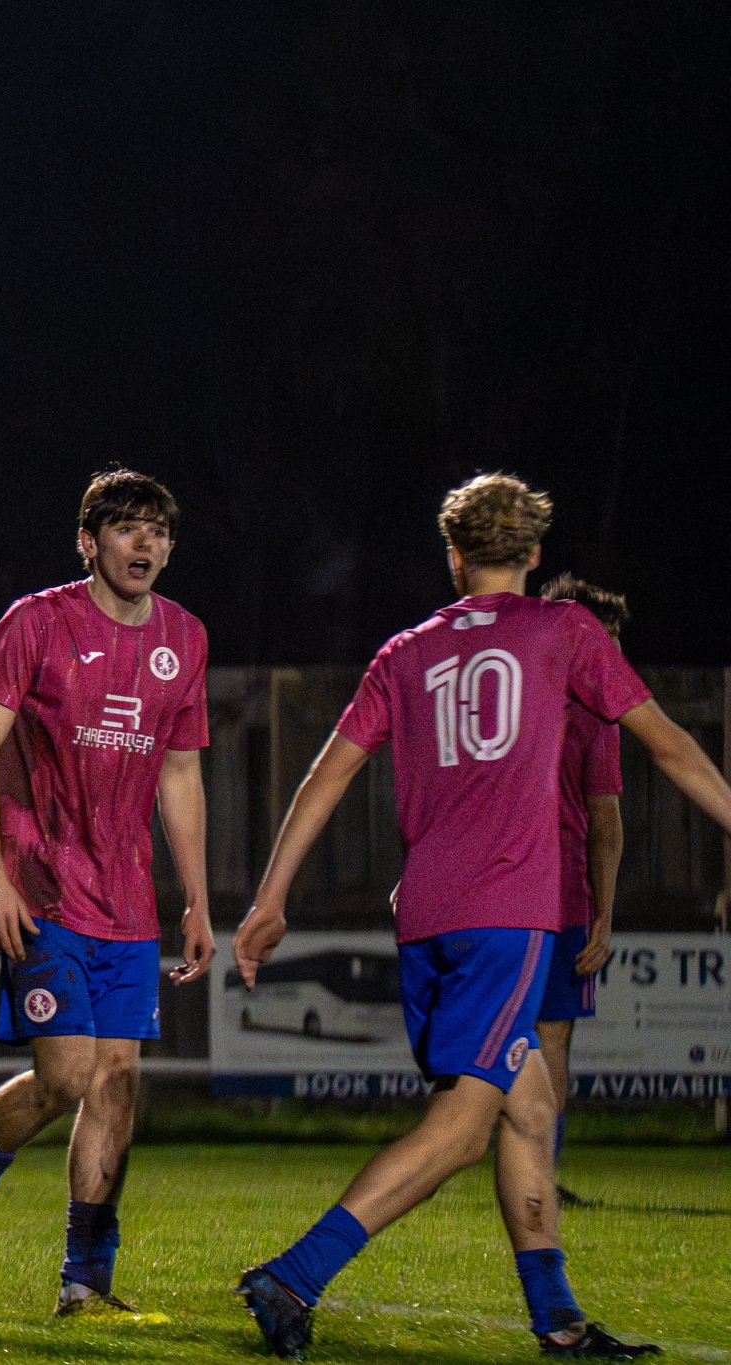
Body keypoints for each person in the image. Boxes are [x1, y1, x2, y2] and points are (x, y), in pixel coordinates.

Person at [230, 474, 726, 1360]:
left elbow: (325, 776)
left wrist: (272, 897)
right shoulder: (566, 630)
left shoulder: (404, 651)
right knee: (462, 1128)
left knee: (528, 1110)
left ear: (453, 555)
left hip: (425, 915)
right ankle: (294, 1275)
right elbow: (671, 745)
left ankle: (560, 1321)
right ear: (535, 554)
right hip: (509, 913)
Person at [0, 468, 215, 1321]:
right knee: (68, 1073)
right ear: (89, 541)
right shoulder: (36, 622)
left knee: (117, 1080)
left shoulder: (185, 638)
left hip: (128, 900)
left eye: (158, 529)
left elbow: (182, 772)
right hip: (38, 886)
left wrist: (195, 896)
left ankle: (86, 1284)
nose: (145, 543)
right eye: (126, 528)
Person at [534, 575, 630, 1209]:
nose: (613, 657)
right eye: (607, 641)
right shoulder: (596, 715)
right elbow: (606, 821)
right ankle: (535, 1179)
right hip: (560, 895)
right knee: (551, 1041)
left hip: (489, 891)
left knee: (499, 1042)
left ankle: (527, 1172)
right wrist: (603, 917)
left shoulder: (508, 696)